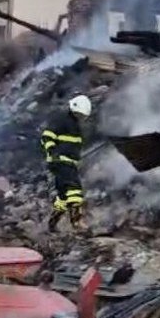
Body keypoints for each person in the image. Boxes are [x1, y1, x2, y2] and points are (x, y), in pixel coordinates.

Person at [41, 94, 93, 232]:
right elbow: (47, 136)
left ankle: (52, 224)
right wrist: (52, 152)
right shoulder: (62, 120)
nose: (81, 117)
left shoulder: (75, 126)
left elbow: (72, 147)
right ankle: (77, 222)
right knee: (74, 189)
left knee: (63, 195)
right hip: (61, 161)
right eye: (79, 114)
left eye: (82, 116)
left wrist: (76, 160)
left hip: (67, 162)